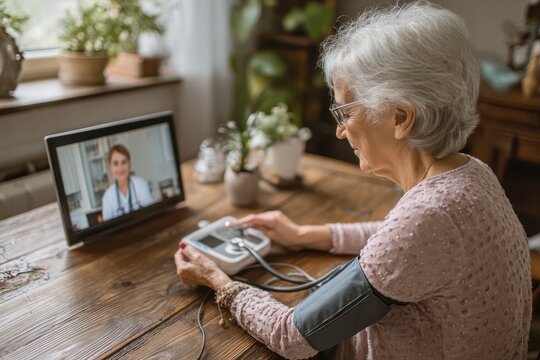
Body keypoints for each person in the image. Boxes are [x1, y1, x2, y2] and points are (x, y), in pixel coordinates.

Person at [174, 2, 531, 359]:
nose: (341, 132)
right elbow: (404, 239)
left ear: (401, 117)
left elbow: (293, 336)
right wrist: (306, 235)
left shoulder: (430, 215)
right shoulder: (471, 173)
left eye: (346, 111)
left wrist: (218, 280)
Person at [101, 144, 154, 221]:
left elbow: (152, 214)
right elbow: (108, 229)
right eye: (116, 163)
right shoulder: (107, 197)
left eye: (124, 162)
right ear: (110, 167)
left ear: (129, 163)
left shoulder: (141, 185)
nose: (120, 168)